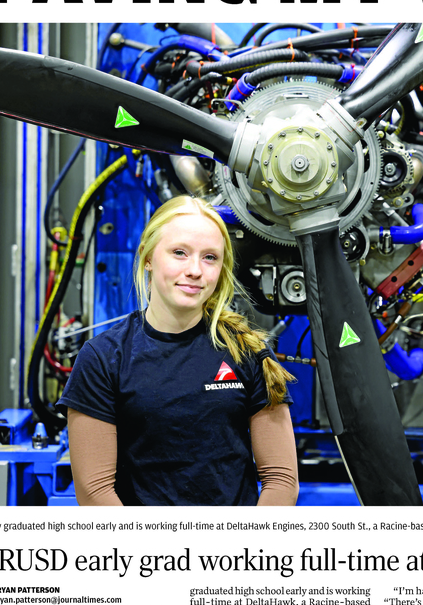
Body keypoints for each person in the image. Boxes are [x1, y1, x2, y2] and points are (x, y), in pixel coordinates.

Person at [59, 194, 299, 506]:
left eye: (210, 257)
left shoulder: (247, 352)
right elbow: (95, 493)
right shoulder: (103, 358)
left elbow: (281, 480)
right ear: (148, 257)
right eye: (179, 253)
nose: (195, 270)